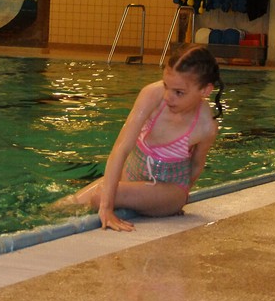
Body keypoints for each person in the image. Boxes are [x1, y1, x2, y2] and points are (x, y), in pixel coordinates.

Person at [61, 44, 223, 232]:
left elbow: (195, 166)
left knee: (100, 196)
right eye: (166, 86)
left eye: (179, 92)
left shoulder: (206, 127)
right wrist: (109, 204)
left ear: (205, 90)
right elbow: (121, 148)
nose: (168, 97)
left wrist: (169, 202)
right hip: (132, 175)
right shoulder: (152, 95)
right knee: (66, 205)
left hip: (169, 189)